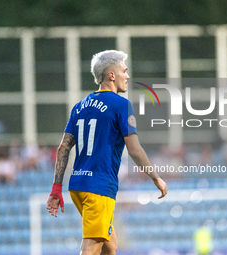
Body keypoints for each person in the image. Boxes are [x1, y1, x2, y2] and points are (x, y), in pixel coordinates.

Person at [46, 50, 168, 255]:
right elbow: (135, 149)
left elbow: (64, 147)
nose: (127, 76)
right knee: (91, 248)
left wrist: (57, 187)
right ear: (112, 75)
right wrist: (155, 178)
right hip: (98, 186)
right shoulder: (121, 105)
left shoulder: (80, 106)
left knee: (110, 247)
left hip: (77, 184)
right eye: (124, 71)